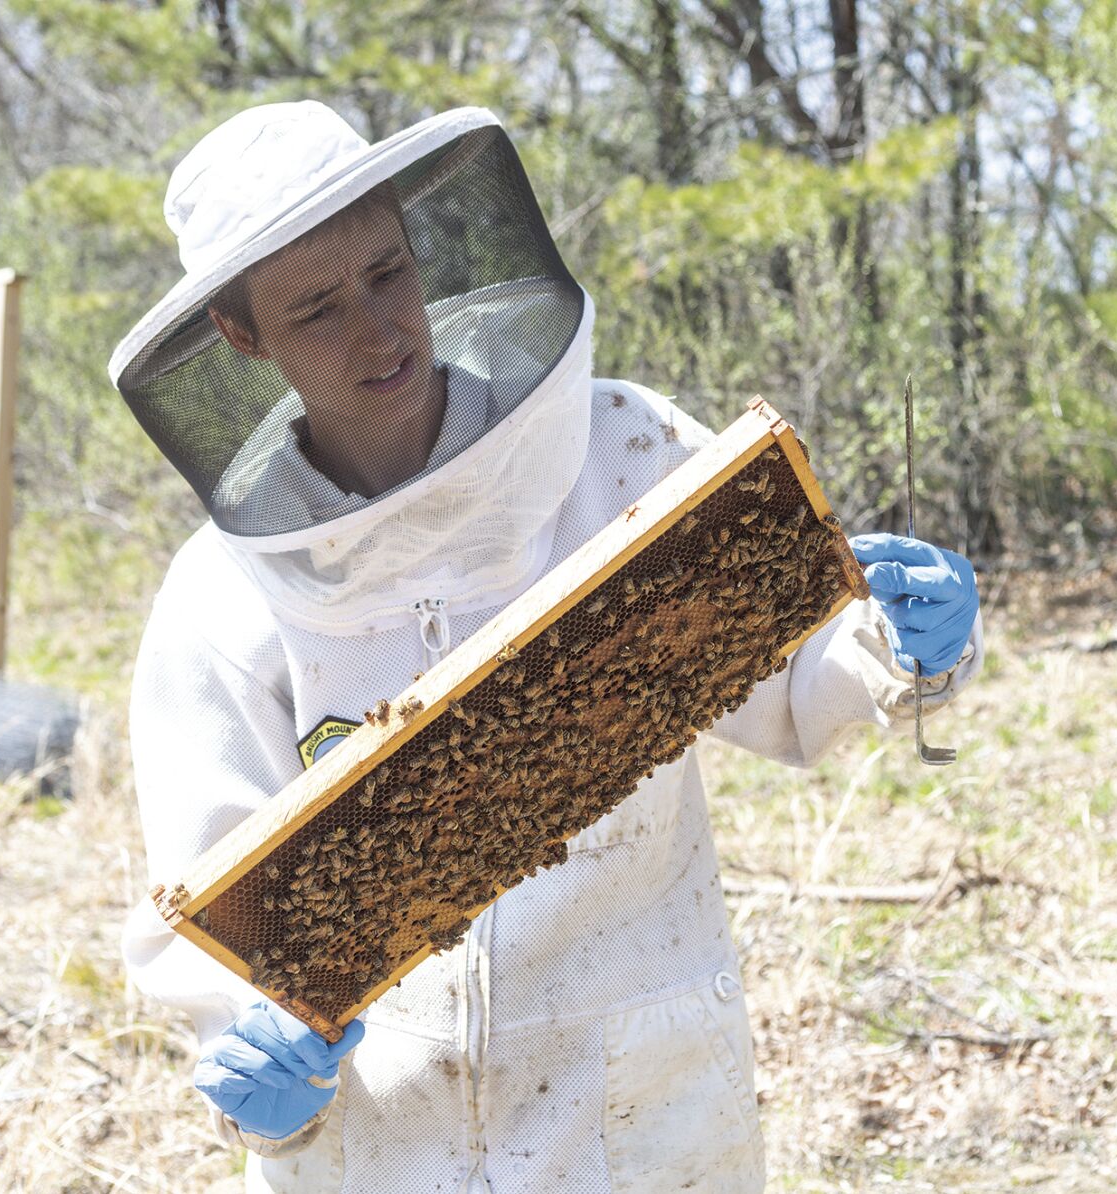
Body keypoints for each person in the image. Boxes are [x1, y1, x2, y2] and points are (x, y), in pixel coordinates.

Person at [111, 101, 984, 1194]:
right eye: (318, 308)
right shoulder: (223, 599)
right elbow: (213, 910)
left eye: (386, 271)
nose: (379, 331)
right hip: (386, 1134)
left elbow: (796, 682)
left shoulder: (613, 449)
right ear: (243, 336)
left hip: (639, 1093)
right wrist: (260, 1068)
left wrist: (895, 643)